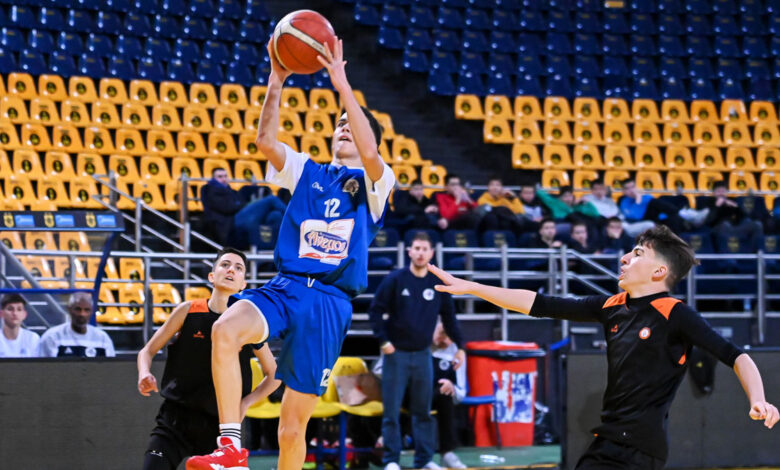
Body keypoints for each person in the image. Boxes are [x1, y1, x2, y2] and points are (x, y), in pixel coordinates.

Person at [187, 38, 395, 470]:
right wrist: (277, 79)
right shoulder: (308, 172)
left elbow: (371, 153)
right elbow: (265, 140)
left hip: (329, 302)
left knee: (290, 430)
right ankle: (230, 447)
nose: (343, 126)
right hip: (286, 286)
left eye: (351, 123)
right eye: (339, 122)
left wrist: (342, 84)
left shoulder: (378, 182)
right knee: (224, 329)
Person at [428, 225, 778, 469]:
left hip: (638, 449)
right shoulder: (611, 306)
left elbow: (737, 356)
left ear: (659, 272)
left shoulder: (674, 313)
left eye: (637, 253)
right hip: (608, 441)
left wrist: (758, 399)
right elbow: (538, 303)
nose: (624, 258)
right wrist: (473, 287)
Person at [137, 248, 280, 470]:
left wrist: (246, 403)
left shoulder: (247, 324)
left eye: (238, 268)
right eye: (225, 265)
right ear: (212, 276)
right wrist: (144, 373)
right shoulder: (188, 310)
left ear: (243, 284)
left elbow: (275, 375)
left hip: (221, 426)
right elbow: (146, 351)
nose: (231, 270)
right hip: (176, 419)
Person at [369, 231, 465, 470]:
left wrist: (461, 347)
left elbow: (450, 318)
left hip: (423, 354)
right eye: (417, 248)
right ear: (409, 251)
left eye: (425, 249)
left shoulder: (437, 284)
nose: (421, 253)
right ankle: (391, 461)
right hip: (396, 355)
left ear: (431, 253)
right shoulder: (395, 279)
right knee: (391, 411)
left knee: (423, 411)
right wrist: (384, 341)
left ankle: (424, 461)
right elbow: (375, 310)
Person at [201, 168, 287, 249]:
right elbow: (227, 208)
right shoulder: (211, 190)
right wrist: (247, 205)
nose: (224, 179)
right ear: (213, 178)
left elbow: (237, 204)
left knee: (275, 215)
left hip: (237, 218)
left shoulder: (231, 191)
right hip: (230, 223)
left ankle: (281, 246)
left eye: (225, 176)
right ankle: (293, 218)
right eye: (220, 177)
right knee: (271, 199)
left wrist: (245, 204)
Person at [430, 322, 468, 469]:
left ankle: (447, 453)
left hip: (436, 397)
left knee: (445, 393)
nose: (445, 341)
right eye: (442, 335)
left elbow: (461, 393)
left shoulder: (457, 354)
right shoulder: (419, 345)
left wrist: (451, 386)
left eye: (449, 337)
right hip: (413, 393)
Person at [38, 292, 115, 357]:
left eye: (86, 310)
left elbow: (110, 367)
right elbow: (45, 367)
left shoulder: (102, 338)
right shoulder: (52, 336)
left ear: (92, 312)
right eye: (78, 309)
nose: (82, 314)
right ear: (69, 309)